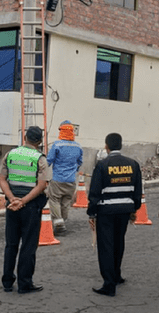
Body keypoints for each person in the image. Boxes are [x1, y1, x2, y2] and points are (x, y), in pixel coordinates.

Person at [87, 133, 143, 297]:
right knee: (119, 243)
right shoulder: (133, 164)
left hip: (106, 212)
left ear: (106, 146)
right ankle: (117, 275)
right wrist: (134, 209)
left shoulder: (103, 165)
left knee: (106, 246)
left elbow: (95, 192)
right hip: (124, 210)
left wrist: (92, 213)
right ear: (121, 145)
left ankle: (109, 284)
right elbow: (137, 191)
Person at [0, 126, 50, 294]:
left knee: (11, 244)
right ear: (40, 141)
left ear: (25, 138)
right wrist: (24, 201)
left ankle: (7, 282)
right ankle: (24, 283)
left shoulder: (10, 154)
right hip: (31, 207)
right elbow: (42, 185)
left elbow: (1, 179)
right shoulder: (40, 159)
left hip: (11, 206)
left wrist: (12, 199)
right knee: (28, 245)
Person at [46, 120, 83, 235]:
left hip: (58, 179)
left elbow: (48, 161)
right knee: (66, 202)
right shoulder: (78, 147)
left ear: (61, 131)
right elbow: (79, 162)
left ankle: (59, 224)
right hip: (71, 181)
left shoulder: (57, 145)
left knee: (54, 200)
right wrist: (73, 170)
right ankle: (62, 222)